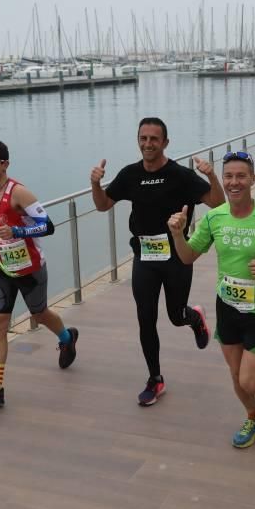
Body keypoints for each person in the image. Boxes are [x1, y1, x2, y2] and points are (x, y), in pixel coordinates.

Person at [168, 151, 255, 448]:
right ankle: (254, 417)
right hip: (227, 306)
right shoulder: (215, 218)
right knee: (236, 375)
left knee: (248, 380)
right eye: (229, 176)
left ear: (252, 179)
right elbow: (187, 256)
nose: (234, 182)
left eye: (241, 176)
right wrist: (178, 234)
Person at [90, 117, 225, 406]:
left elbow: (217, 203)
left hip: (177, 256)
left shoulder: (179, 175)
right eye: (143, 138)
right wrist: (95, 184)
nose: (148, 144)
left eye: (154, 139)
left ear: (165, 142)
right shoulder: (129, 175)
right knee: (145, 318)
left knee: (175, 316)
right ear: (138, 140)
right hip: (144, 257)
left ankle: (194, 318)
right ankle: (155, 378)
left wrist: (212, 176)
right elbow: (103, 206)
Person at [0, 139, 80, 405]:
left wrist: (17, 232)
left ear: (5, 164)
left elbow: (48, 226)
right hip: (2, 266)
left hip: (30, 268)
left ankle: (66, 337)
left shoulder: (19, 192)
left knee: (39, 313)